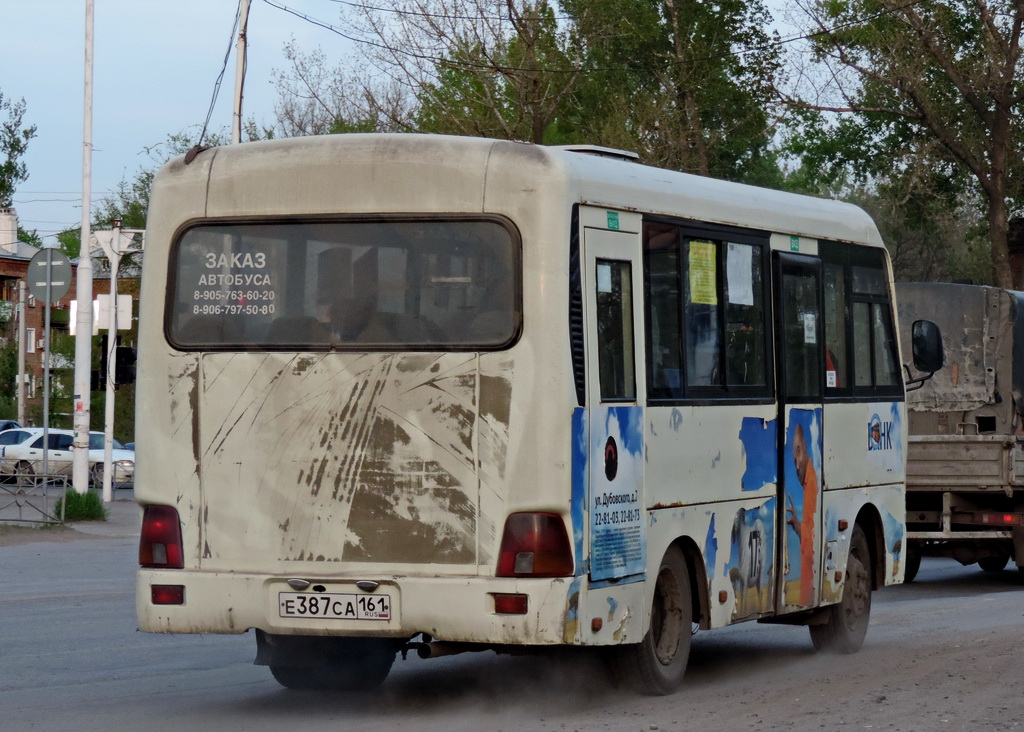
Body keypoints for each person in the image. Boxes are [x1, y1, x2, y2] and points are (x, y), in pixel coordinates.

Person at [786, 423, 818, 606]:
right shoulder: (808, 484)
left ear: (805, 448)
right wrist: (799, 528)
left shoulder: (812, 483)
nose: (797, 463)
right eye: (793, 458)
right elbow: (811, 538)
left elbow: (814, 545)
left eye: (798, 452)